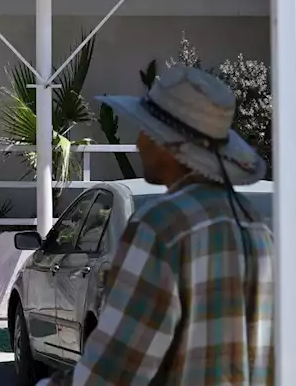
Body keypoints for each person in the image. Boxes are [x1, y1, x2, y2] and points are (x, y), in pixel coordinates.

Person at [43, 66, 274, 386]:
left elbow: (117, 368)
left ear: (170, 145)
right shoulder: (257, 228)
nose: (139, 143)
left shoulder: (161, 228)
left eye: (146, 131)